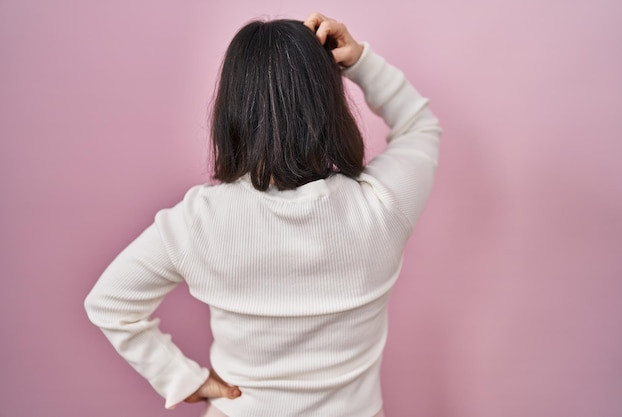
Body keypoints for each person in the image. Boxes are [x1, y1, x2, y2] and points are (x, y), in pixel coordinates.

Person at [84, 12, 441, 417]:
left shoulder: (198, 221)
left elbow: (109, 303)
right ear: (329, 104)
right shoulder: (381, 204)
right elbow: (420, 126)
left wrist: (181, 378)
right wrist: (360, 61)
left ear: (231, 110)